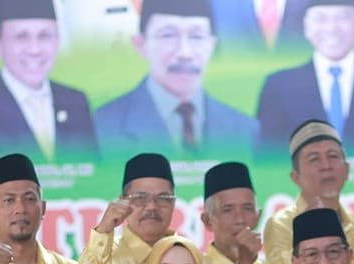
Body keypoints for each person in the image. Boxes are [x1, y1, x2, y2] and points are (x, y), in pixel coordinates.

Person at [95, 0, 258, 158]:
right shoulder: (101, 126)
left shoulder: (245, 129)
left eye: (196, 36)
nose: (184, 53)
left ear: (212, 45)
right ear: (141, 44)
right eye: (168, 36)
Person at [0, 0, 98, 159]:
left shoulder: (76, 102)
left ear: (57, 42)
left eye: (44, 36)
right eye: (21, 37)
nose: (34, 50)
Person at [256, 0, 354, 154]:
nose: (331, 28)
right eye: (320, 18)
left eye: (342, 18)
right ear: (306, 26)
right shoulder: (278, 86)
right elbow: (267, 154)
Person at [261, 120, 354, 264]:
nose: (326, 166)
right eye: (314, 159)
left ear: (347, 169)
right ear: (295, 177)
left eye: (332, 156)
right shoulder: (281, 225)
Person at [199, 161, 273, 264]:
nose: (240, 219)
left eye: (247, 208)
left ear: (258, 216)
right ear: (207, 220)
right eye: (227, 210)